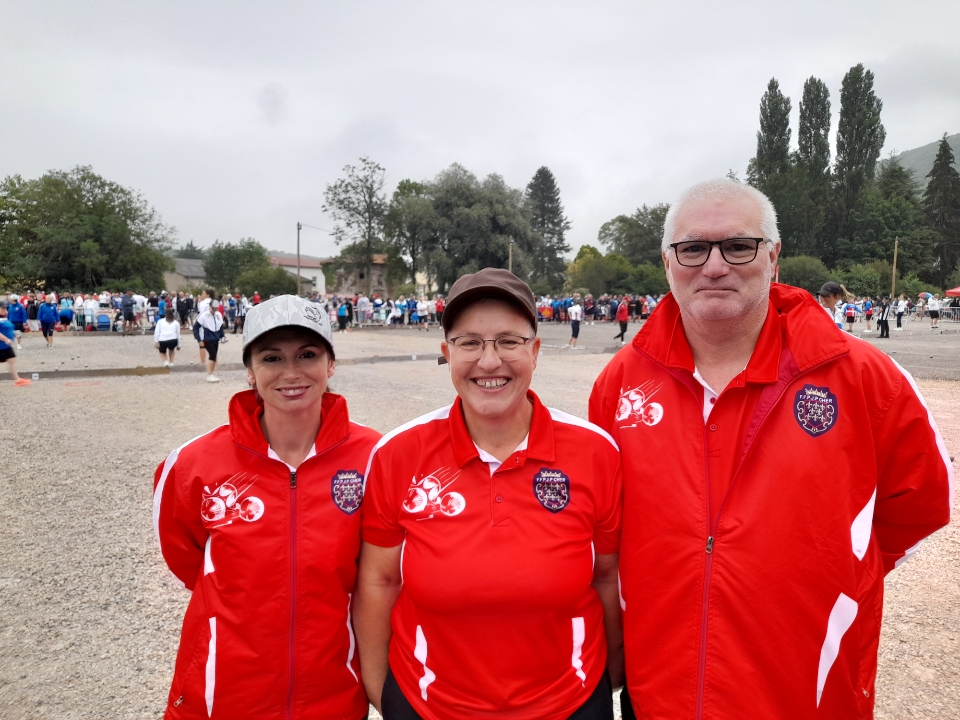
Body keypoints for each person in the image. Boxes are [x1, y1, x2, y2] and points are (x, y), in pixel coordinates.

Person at [588, 178, 953, 720]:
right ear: (668, 263)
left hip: (803, 695)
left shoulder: (863, 377)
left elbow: (918, 507)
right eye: (693, 248)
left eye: (739, 246)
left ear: (774, 257)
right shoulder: (620, 383)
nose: (714, 266)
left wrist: (823, 569)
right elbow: (602, 528)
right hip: (660, 693)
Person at [356, 268, 623, 720]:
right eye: (470, 343)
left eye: (508, 341)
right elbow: (379, 582)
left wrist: (610, 677)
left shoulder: (596, 452)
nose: (489, 361)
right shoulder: (398, 454)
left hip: (568, 704)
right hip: (431, 705)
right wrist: (383, 692)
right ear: (447, 353)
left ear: (535, 351)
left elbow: (606, 578)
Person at [153, 294, 380, 719]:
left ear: (331, 365)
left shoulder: (377, 457)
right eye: (272, 357)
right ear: (250, 372)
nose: (291, 372)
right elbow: (186, 559)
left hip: (332, 697)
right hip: (222, 694)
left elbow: (384, 572)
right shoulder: (192, 464)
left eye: (307, 354)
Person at [0, 303, 30, 386]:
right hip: (2, 346)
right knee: (11, 361)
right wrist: (6, 339)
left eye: (5, 309)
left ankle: (17, 380)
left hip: (6, 346)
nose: (5, 311)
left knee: (12, 361)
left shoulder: (4, 318)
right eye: (3, 309)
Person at [195, 299, 225, 382]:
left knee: (214, 356)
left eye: (217, 308)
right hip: (206, 338)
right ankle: (209, 375)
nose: (215, 310)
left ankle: (211, 372)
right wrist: (199, 339)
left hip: (216, 338)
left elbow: (220, 326)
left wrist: (223, 336)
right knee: (212, 355)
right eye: (214, 308)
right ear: (210, 307)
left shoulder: (218, 314)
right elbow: (195, 328)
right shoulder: (204, 315)